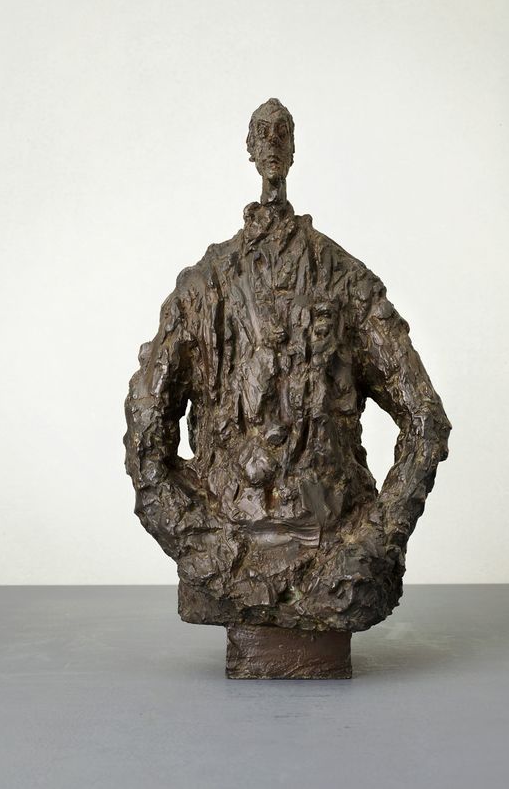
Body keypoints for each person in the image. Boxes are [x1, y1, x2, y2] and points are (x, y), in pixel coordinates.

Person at [124, 99, 451, 632]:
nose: (273, 142)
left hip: (334, 546)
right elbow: (146, 430)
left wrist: (374, 541)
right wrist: (200, 543)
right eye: (263, 132)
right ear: (250, 148)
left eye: (283, 132)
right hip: (228, 539)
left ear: (293, 147)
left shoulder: (343, 280)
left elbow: (425, 422)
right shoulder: (204, 287)